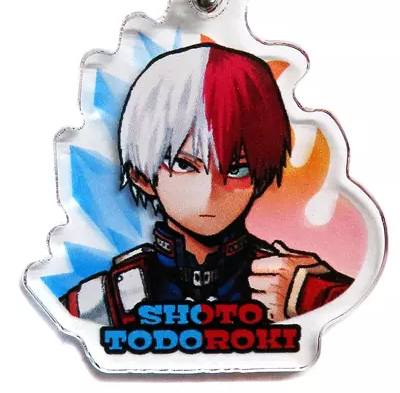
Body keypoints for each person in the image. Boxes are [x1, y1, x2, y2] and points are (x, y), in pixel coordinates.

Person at [61, 43, 353, 326]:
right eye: (184, 165)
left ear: (260, 177)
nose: (210, 191)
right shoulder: (107, 298)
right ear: (142, 177)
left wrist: (318, 297)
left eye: (236, 169)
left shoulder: (293, 284)